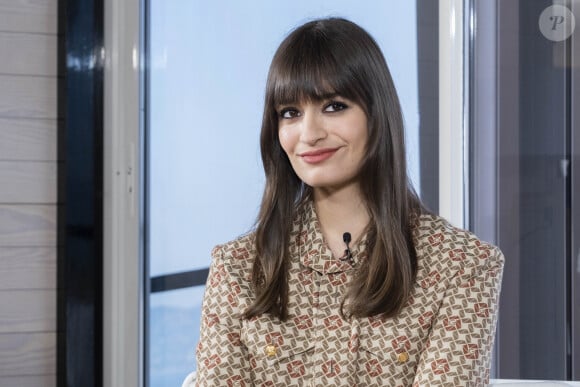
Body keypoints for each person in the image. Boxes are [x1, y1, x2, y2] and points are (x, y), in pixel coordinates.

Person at [193, 17, 504, 386]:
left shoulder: (463, 266)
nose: (309, 134)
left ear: (377, 114)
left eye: (334, 106)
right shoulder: (237, 269)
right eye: (290, 113)